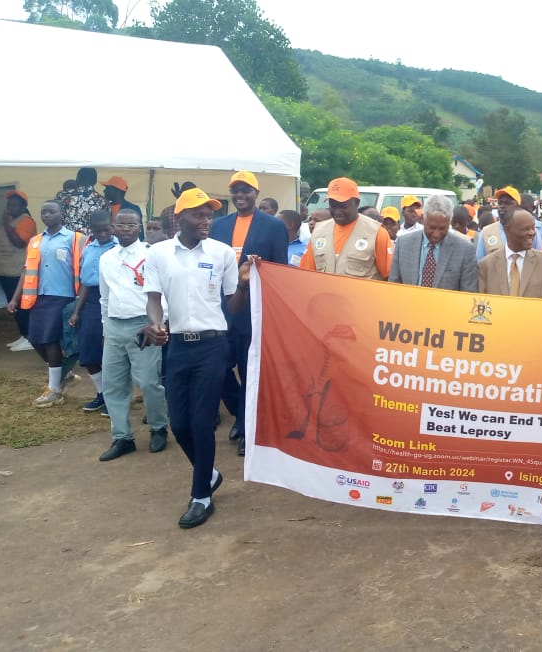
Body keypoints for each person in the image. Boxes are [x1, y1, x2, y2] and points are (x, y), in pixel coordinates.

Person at [143, 187, 250, 529]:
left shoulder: (221, 253)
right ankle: (210, 474)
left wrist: (245, 286)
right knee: (180, 424)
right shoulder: (159, 254)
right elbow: (153, 299)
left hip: (212, 346)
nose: (207, 221)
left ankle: (200, 495)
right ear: (180, 218)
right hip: (176, 345)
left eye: (210, 215)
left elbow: (232, 305)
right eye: (199, 215)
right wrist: (155, 324)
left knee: (202, 422)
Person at [210, 171, 289, 456]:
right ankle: (239, 412)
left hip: (252, 311)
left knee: (248, 369)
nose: (240, 195)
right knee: (217, 369)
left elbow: (279, 271)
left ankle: (245, 428)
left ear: (256, 193)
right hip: (218, 309)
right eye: (235, 191)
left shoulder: (272, 227)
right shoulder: (218, 225)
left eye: (246, 190)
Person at [97, 207, 169, 460]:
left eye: (131, 225)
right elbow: (104, 297)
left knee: (149, 382)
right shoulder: (106, 258)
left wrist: (159, 323)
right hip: (115, 325)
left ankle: (159, 428)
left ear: (139, 227)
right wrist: (106, 327)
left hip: (144, 325)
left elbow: (160, 294)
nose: (126, 229)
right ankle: (122, 437)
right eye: (121, 225)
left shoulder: (152, 254)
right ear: (114, 227)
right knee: (113, 385)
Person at [6, 201, 87, 408]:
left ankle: (54, 389)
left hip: (63, 297)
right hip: (38, 297)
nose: (47, 215)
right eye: (44, 212)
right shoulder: (35, 241)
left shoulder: (75, 239)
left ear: (62, 214)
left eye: (52, 211)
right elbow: (26, 270)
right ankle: (63, 373)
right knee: (35, 338)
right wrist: (15, 298)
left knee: (50, 339)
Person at [69, 210, 118, 414]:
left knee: (111, 354)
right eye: (98, 231)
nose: (103, 234)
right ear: (92, 231)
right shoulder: (89, 249)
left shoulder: (119, 248)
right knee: (89, 352)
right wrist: (76, 311)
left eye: (106, 229)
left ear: (112, 226)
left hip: (115, 301)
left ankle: (114, 399)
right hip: (91, 302)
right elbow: (86, 282)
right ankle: (102, 394)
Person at [299, 178, 393, 278]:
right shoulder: (318, 232)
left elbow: (390, 276)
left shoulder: (376, 233)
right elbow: (306, 274)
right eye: (333, 206)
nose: (338, 211)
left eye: (343, 206)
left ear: (356, 203)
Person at [390, 194, 477, 292]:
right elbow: (394, 288)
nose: (436, 234)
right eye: (431, 227)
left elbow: (468, 294)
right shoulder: (403, 244)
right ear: (422, 218)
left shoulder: (465, 250)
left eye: (442, 228)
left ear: (449, 222)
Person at [478, 209, 542, 299]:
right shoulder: (486, 265)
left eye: (533, 228)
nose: (532, 233)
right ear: (507, 230)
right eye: (525, 229)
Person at [0, 190, 36, 352]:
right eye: (9, 205)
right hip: (5, 271)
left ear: (23, 207)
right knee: (13, 306)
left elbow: (19, 242)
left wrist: (6, 224)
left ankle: (29, 337)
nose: (10, 208)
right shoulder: (11, 221)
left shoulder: (27, 222)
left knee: (21, 306)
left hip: (17, 272)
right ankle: (23, 335)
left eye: (14, 205)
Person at [477, 187, 542, 259]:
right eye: (500, 203)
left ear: (518, 206)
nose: (502, 206)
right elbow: (480, 264)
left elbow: (539, 260)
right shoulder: (486, 232)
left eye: (508, 203)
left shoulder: (531, 232)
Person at [56, 167, 108, 236]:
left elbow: (54, 218)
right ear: (95, 181)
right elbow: (105, 225)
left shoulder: (62, 195)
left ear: (77, 179)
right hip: (90, 241)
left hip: (65, 239)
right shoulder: (102, 201)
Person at [99, 176, 145, 241]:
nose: (104, 191)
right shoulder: (103, 208)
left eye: (108, 188)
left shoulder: (133, 209)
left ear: (117, 191)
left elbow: (140, 234)